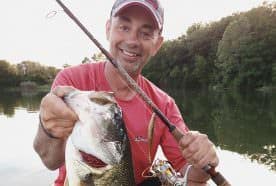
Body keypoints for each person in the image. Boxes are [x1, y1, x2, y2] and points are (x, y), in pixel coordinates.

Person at [33, 0, 219, 185]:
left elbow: (188, 172)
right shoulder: (72, 81)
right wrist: (48, 128)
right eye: (124, 27)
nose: (132, 41)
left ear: (157, 44)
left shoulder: (164, 104)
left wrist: (202, 165)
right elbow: (50, 161)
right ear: (108, 29)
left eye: (145, 33)